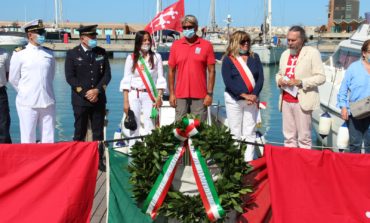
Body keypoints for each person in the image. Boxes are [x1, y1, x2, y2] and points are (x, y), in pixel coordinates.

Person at [276, 25, 325, 149]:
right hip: (286, 100)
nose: (290, 43)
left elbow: (321, 77)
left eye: (293, 40)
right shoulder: (284, 54)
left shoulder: (312, 53)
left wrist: (301, 82)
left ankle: (305, 165)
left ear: (302, 40)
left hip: (302, 101)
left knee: (304, 138)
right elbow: (279, 73)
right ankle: (291, 164)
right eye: (288, 40)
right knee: (288, 137)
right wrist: (279, 80)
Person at [9, 19, 56, 143]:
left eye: (43, 32)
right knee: (28, 138)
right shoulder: (19, 53)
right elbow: (13, 79)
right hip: (27, 103)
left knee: (48, 138)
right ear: (30, 35)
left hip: (47, 100)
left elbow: (51, 75)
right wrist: (25, 92)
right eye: (39, 33)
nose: (42, 35)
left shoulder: (49, 53)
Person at [221, 31, 264, 161]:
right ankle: (235, 161)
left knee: (250, 132)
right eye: (243, 41)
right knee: (235, 132)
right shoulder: (228, 59)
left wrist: (254, 95)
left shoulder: (255, 57)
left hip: (252, 100)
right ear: (235, 43)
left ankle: (248, 161)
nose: (246, 44)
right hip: (234, 100)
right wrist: (244, 95)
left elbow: (260, 79)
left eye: (248, 41)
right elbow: (228, 81)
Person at [65, 24, 111, 141]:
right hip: (80, 100)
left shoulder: (101, 52)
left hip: (98, 99)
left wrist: (97, 90)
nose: (94, 39)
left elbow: (107, 75)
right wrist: (86, 93)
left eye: (94, 36)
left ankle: (98, 158)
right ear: (82, 38)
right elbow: (70, 78)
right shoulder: (72, 54)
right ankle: (78, 158)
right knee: (80, 132)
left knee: (98, 134)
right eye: (91, 37)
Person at [120, 30, 166, 146]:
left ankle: (150, 150)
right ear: (138, 42)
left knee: (150, 123)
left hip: (150, 95)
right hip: (133, 94)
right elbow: (126, 81)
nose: (147, 42)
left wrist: (159, 97)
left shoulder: (157, 57)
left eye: (148, 40)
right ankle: (132, 149)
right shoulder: (131, 58)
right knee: (133, 123)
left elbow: (161, 78)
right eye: (144, 40)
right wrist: (125, 102)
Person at [168, 15, 216, 122]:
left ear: (196, 27)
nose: (187, 29)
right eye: (184, 27)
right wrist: (172, 93)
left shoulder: (207, 45)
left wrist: (209, 94)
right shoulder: (176, 45)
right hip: (180, 95)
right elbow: (171, 71)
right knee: (180, 130)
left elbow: (212, 71)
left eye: (189, 27)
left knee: (198, 132)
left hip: (200, 96)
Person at [337, 39, 370, 154]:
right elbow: (343, 90)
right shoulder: (353, 68)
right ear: (364, 53)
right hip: (356, 113)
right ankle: (354, 170)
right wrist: (343, 107)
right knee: (355, 145)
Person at [0, 47, 11, 143]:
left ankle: (5, 151)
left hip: (0, 93)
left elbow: (8, 73)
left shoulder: (4, 53)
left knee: (3, 123)